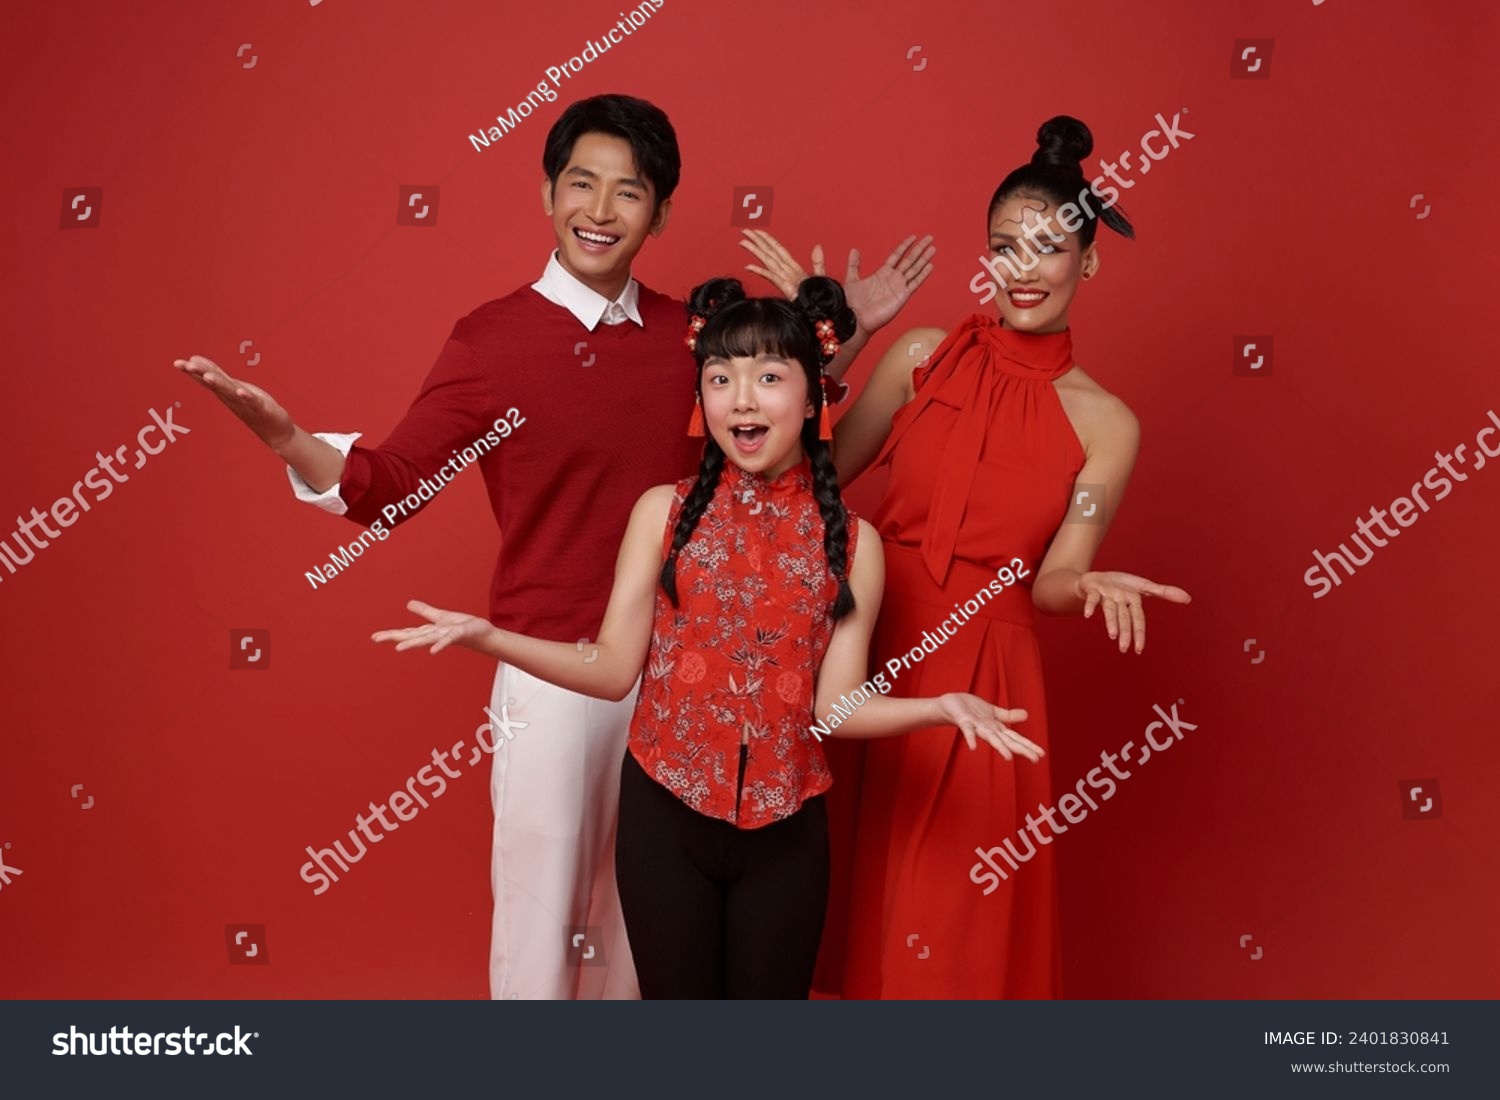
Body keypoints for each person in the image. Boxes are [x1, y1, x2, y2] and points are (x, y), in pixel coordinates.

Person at [172, 94, 934, 999]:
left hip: (683, 677)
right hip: (556, 671)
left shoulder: (688, 338)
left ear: (661, 214)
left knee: (637, 947)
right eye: (582, 185)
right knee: (541, 934)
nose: (602, 211)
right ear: (547, 193)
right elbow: (387, 484)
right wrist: (288, 438)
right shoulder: (492, 342)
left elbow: (766, 452)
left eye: (630, 192)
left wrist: (847, 338)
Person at [372, 276, 1044, 999]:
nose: (743, 399)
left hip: (789, 834)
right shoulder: (661, 513)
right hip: (665, 819)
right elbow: (609, 668)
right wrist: (490, 637)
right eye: (721, 378)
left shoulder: (854, 543)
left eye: (769, 377)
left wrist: (939, 708)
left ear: (814, 396)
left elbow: (836, 708)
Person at [749, 115, 1192, 999]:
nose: (1023, 267)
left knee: (952, 929)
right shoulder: (922, 359)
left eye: (1047, 246)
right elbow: (808, 471)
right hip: (861, 648)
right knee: (828, 908)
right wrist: (828, 335)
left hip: (988, 676)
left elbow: (1061, 572)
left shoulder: (1108, 423)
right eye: (1003, 247)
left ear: (1088, 261)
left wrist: (1086, 581)